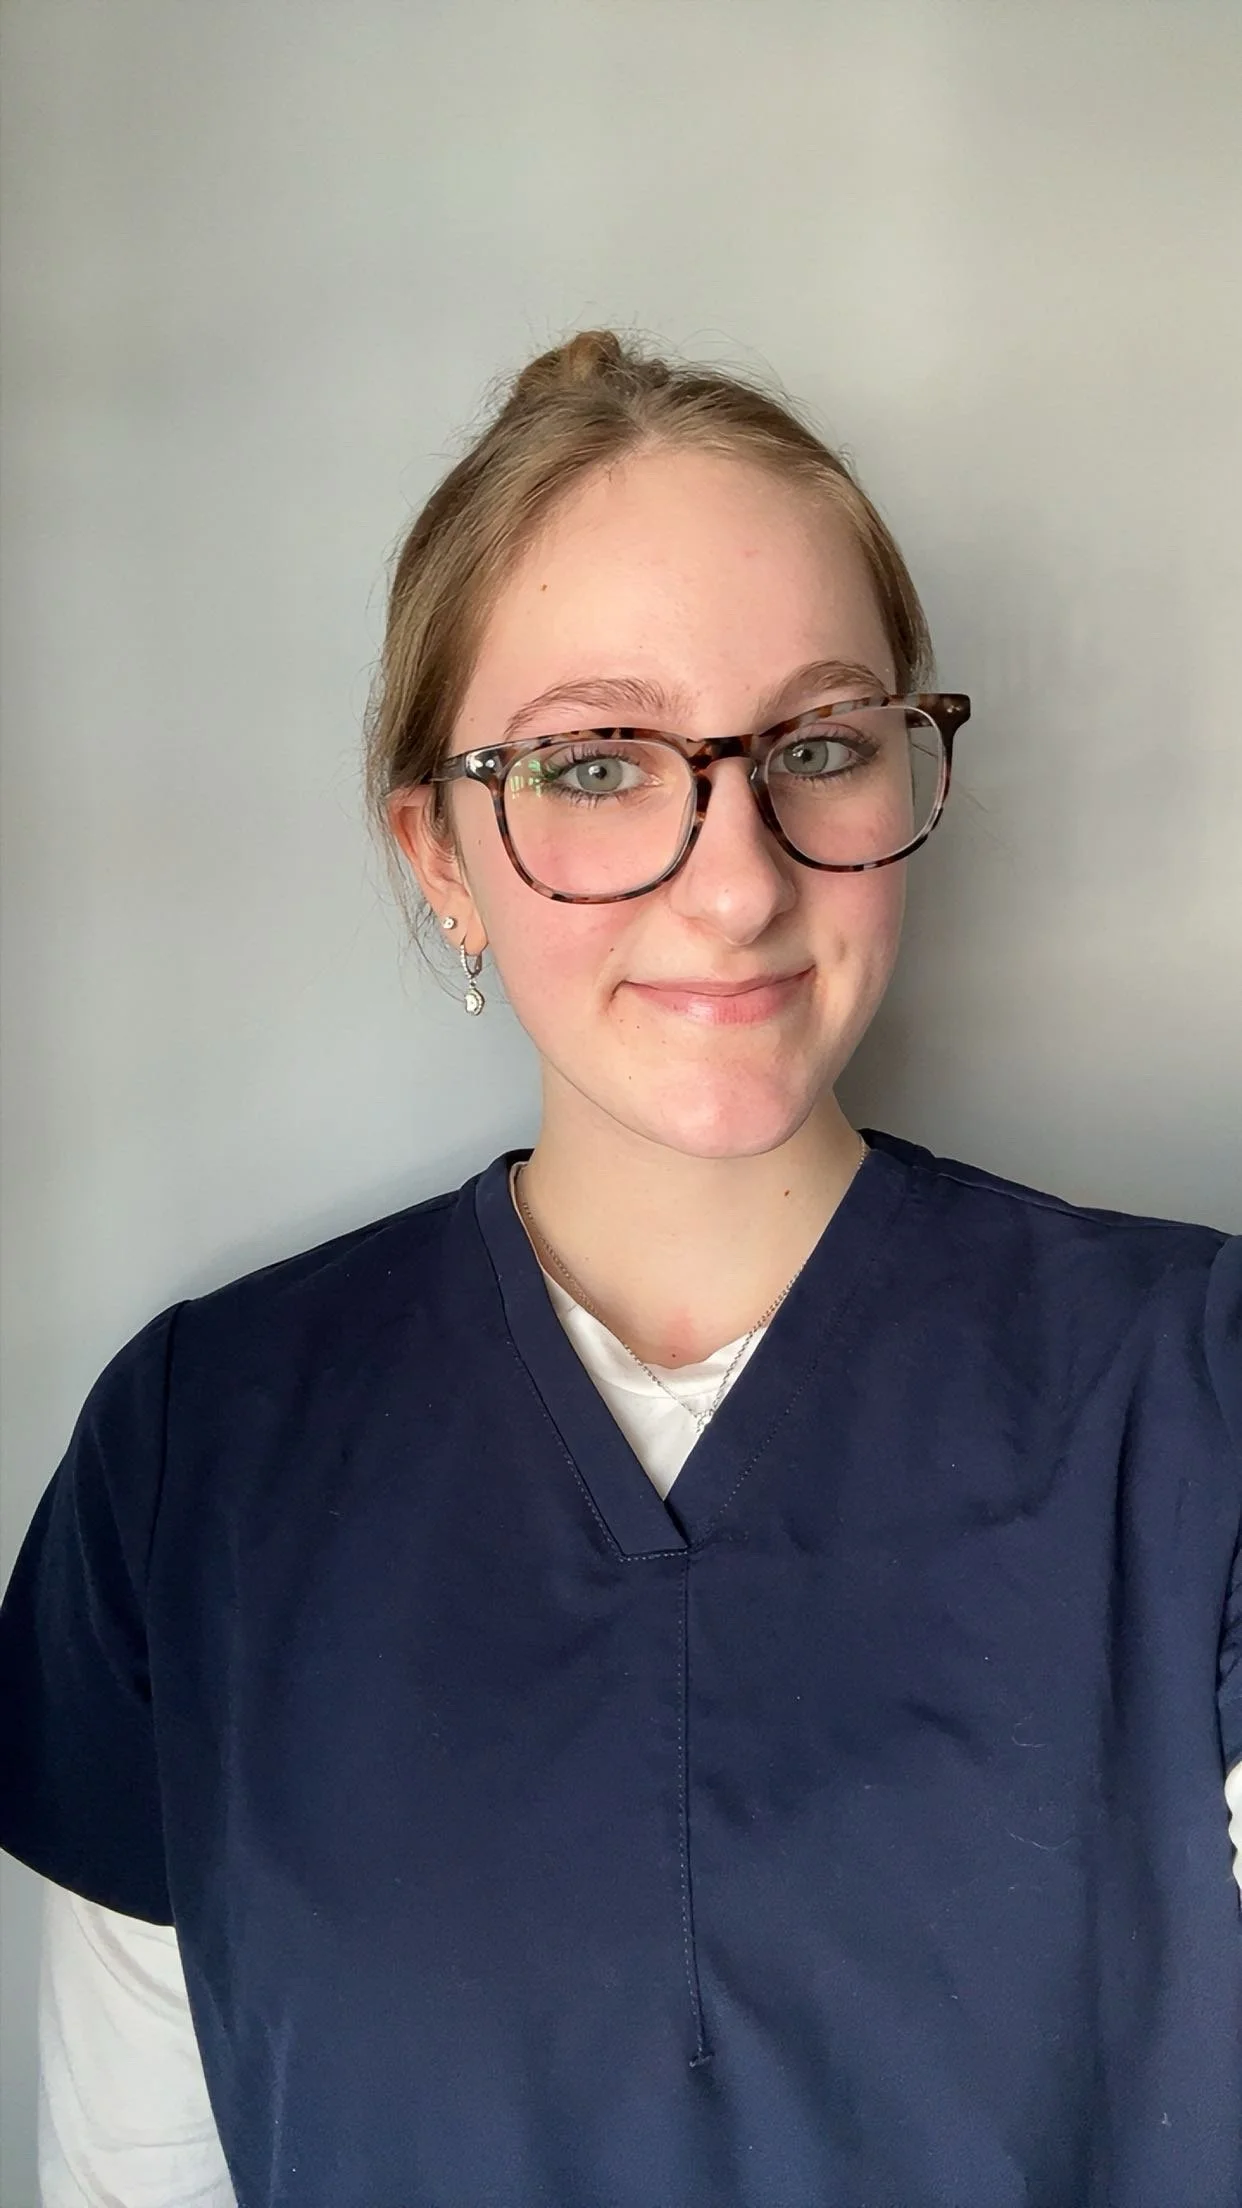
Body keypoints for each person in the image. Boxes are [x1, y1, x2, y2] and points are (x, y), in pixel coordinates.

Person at [1, 328, 1240, 2208]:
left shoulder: (1197, 1406)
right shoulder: (193, 1463)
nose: (736, 885)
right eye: (595, 764)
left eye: (818, 745)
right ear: (437, 851)